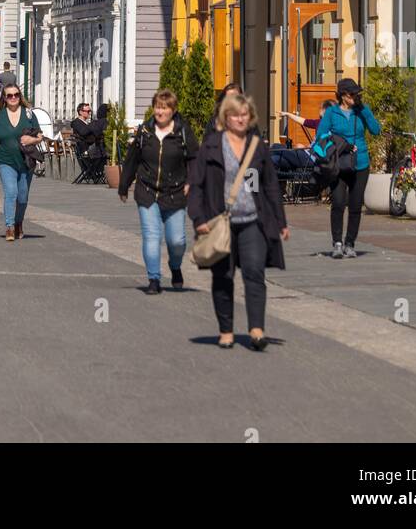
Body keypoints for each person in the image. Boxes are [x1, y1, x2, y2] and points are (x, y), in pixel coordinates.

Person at [189, 91, 289, 350]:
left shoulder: (258, 146)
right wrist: (199, 218)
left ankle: (257, 329)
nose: (241, 119)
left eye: (245, 115)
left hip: (253, 220)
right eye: (235, 115)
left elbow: (270, 186)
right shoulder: (212, 145)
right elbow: (197, 184)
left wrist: (280, 220)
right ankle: (226, 329)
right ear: (226, 117)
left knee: (255, 272)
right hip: (220, 221)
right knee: (223, 276)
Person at [119, 90, 199, 295]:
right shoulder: (145, 131)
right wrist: (124, 185)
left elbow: (194, 159)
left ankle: (175, 266)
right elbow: (132, 158)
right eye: (157, 107)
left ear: (173, 110)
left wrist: (192, 182)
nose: (160, 112)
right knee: (152, 236)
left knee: (177, 240)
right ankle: (153, 278)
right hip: (147, 190)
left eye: (164, 108)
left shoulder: (183, 131)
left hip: (175, 192)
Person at [315, 78, 381, 259]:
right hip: (339, 163)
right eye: (352, 94)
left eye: (357, 94)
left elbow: (376, 130)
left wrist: (365, 113)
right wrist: (340, 144)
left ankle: (350, 243)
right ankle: (337, 243)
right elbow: (320, 135)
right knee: (337, 203)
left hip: (360, 164)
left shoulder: (361, 111)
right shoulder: (331, 113)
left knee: (355, 205)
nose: (356, 97)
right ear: (343, 96)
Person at [0, 85, 44, 240]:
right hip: (5, 160)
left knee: (22, 197)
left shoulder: (29, 115)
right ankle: (9, 227)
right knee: (11, 192)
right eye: (9, 96)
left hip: (26, 161)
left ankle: (18, 223)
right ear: (4, 98)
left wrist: (32, 139)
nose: (13, 98)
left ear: (20, 96)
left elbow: (40, 136)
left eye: (16, 94)